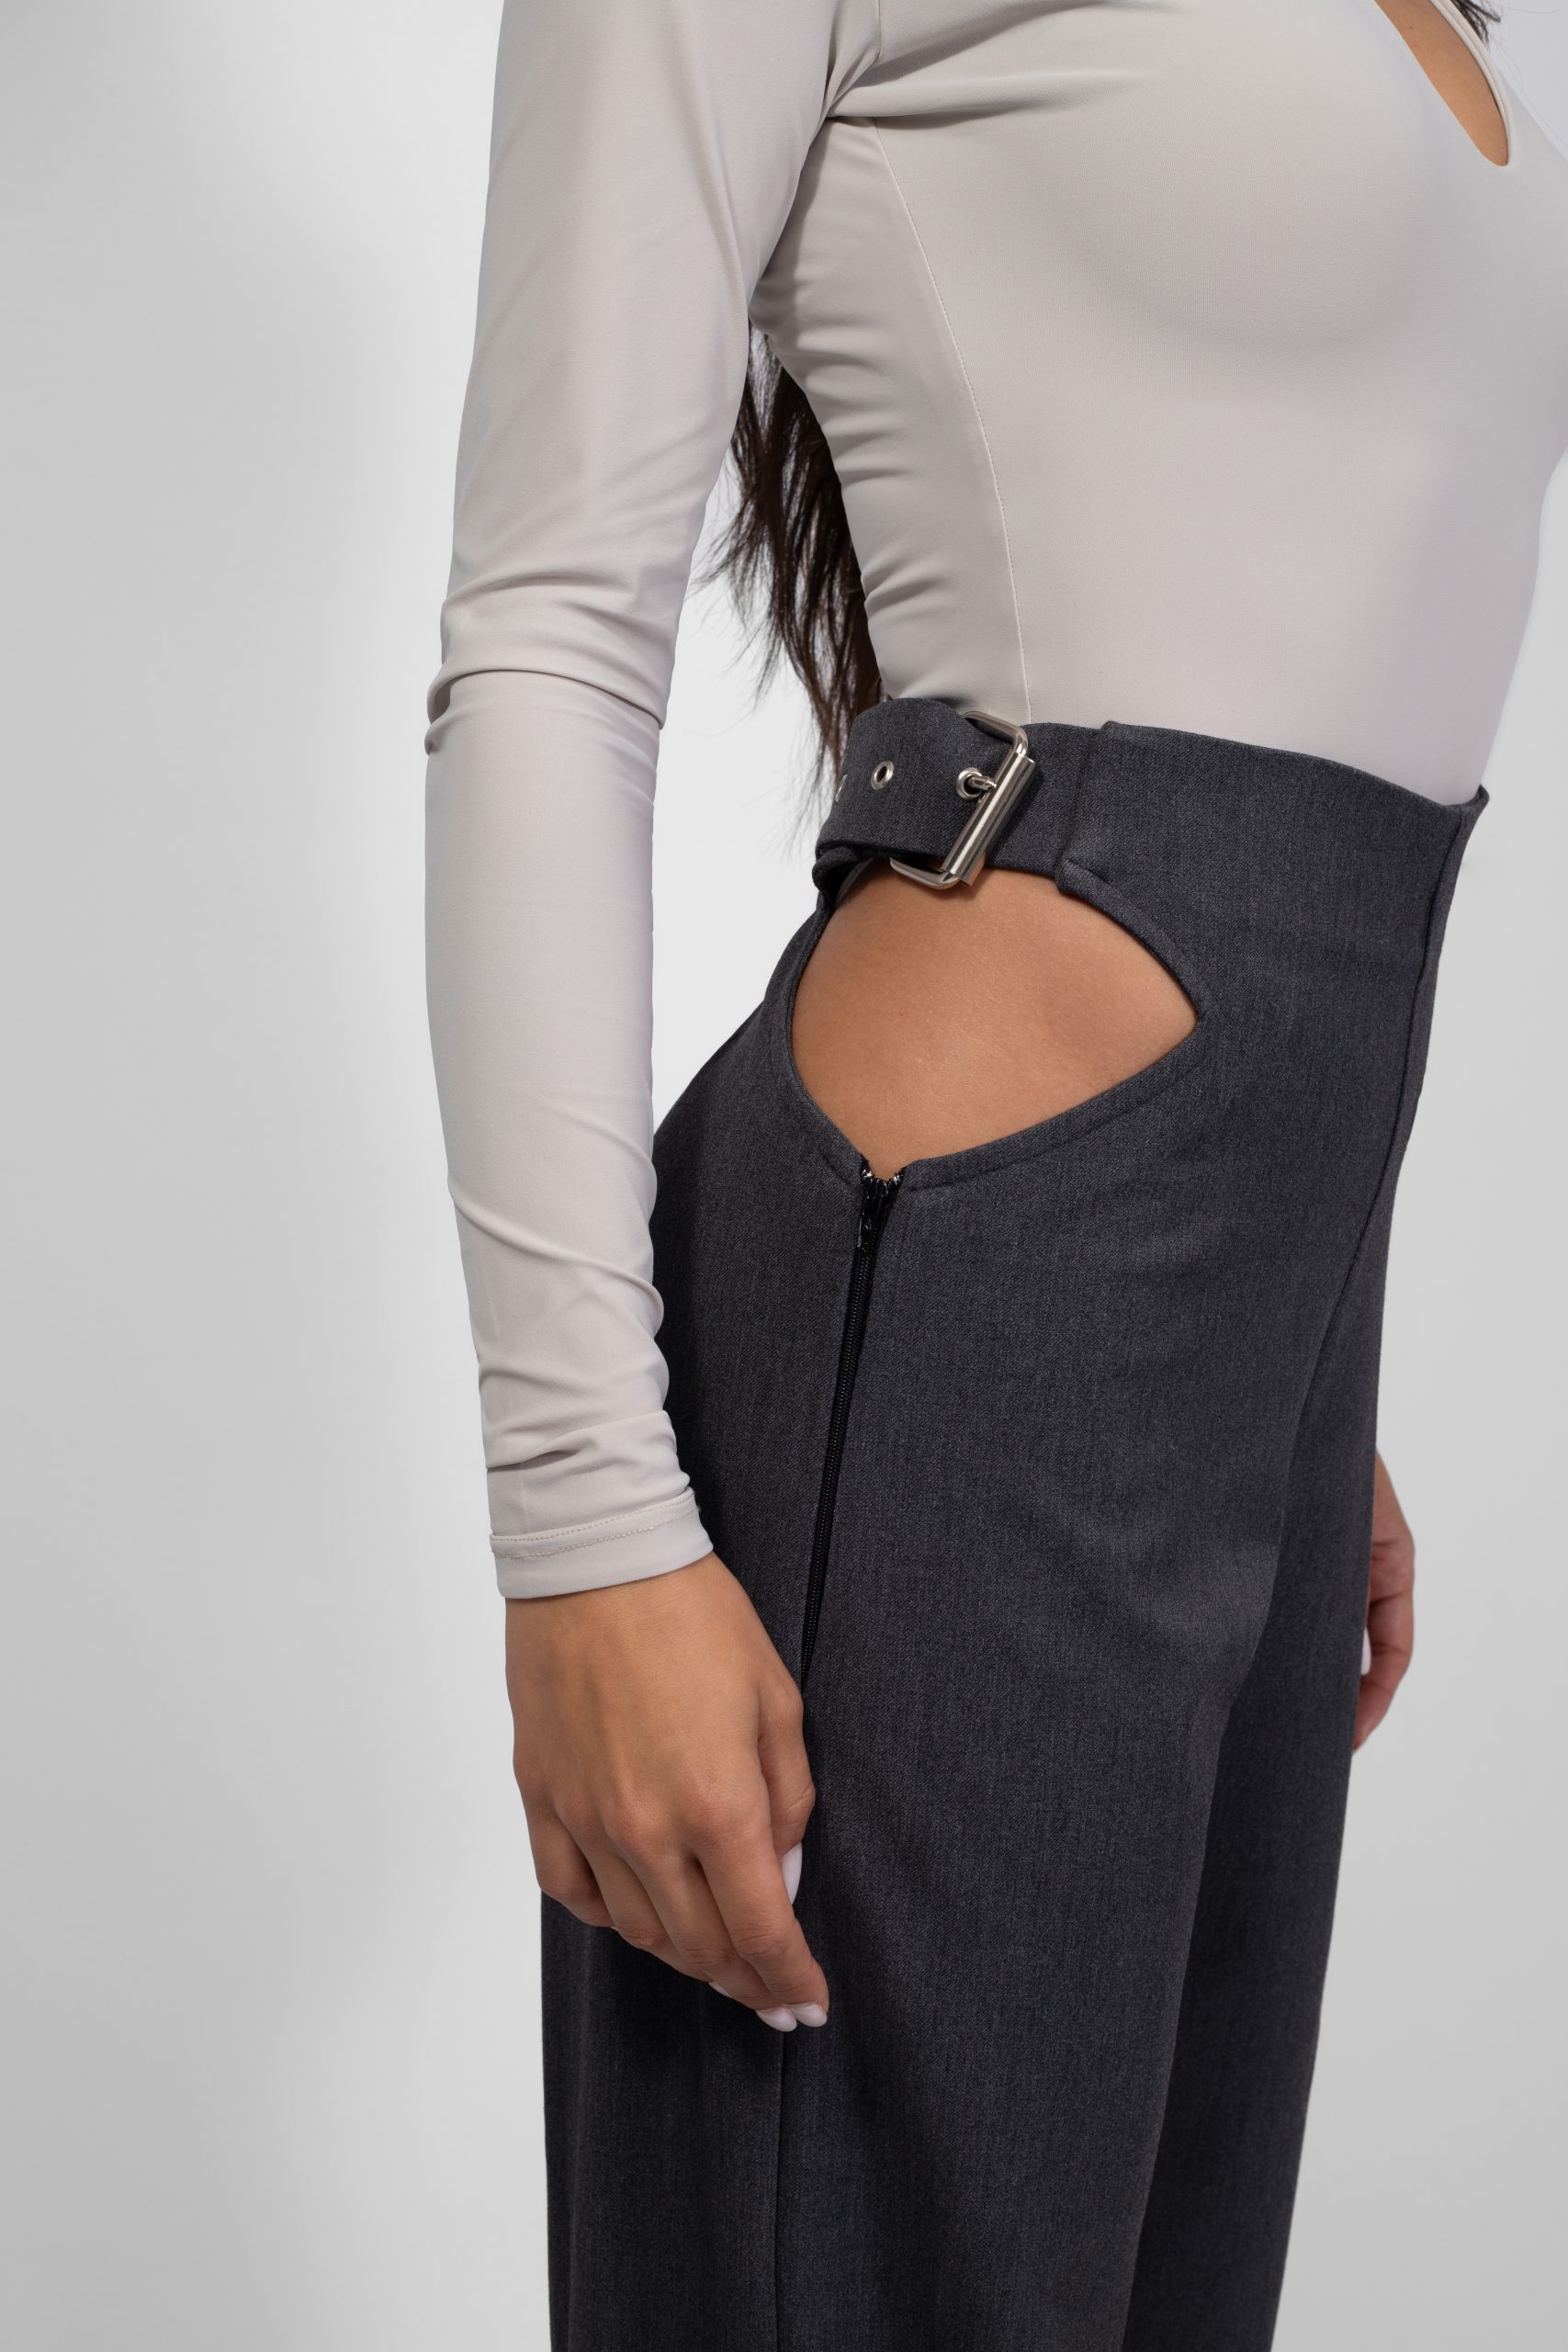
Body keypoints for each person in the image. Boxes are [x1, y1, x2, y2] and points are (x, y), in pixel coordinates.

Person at [423, 0, 1568, 2342]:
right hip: (964, 1299)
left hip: (1230, 1329)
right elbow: (548, 632)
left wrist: (1270, 1335)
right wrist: (583, 1518)